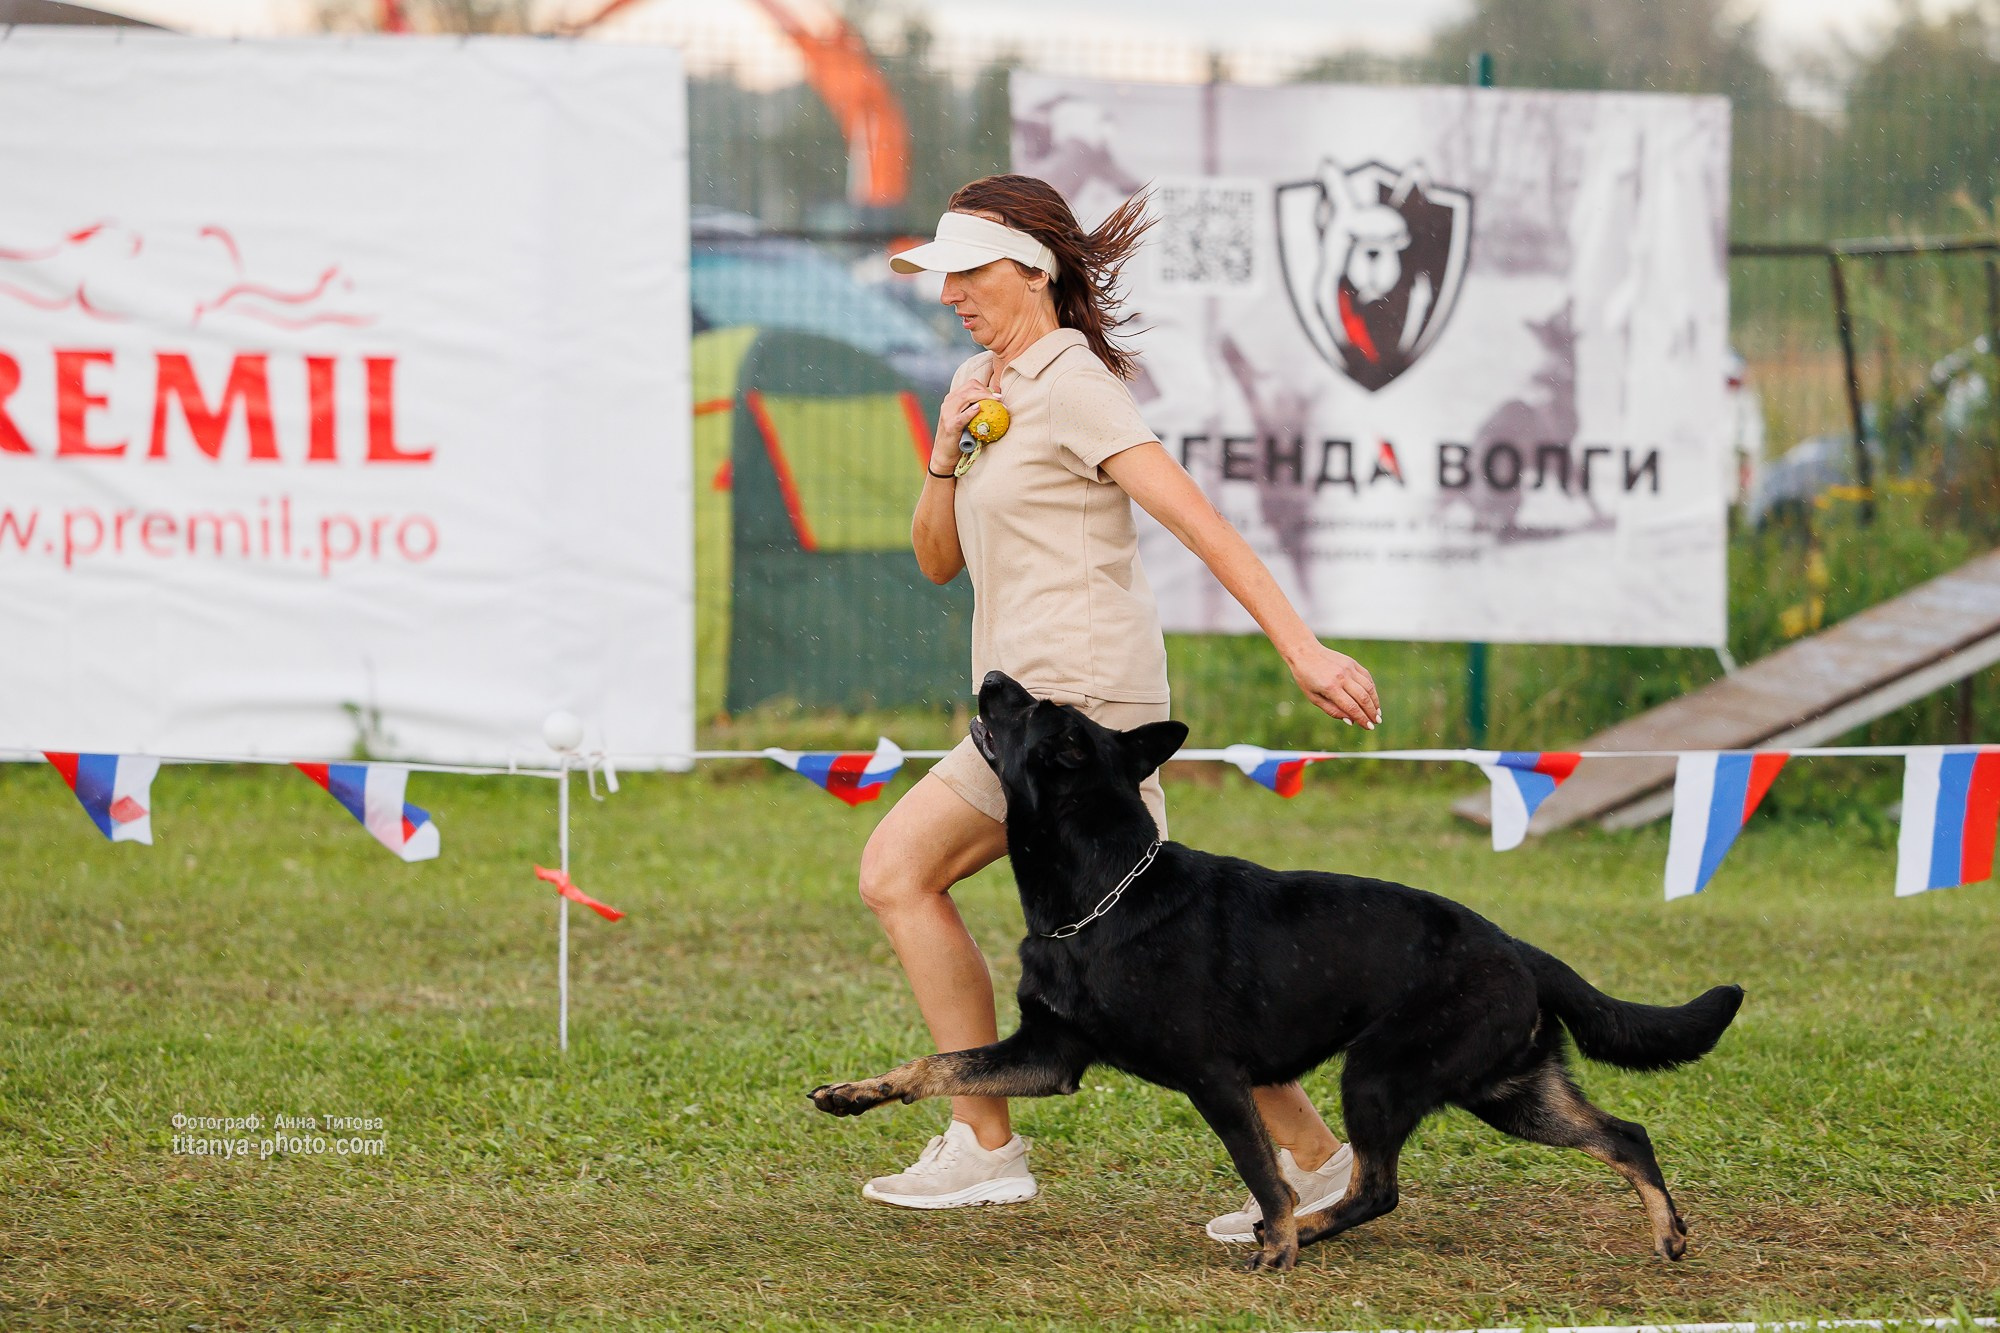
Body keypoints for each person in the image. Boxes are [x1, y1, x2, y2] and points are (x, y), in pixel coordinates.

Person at [856, 175, 1382, 1243]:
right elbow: (932, 556)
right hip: (1027, 715)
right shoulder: (983, 380)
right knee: (1155, 956)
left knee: (901, 873)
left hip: (1082, 709)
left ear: (1030, 269)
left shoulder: (1076, 384)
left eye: (967, 269)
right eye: (942, 273)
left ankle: (986, 1144)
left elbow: (1196, 522)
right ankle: (1318, 1162)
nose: (950, 291)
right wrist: (943, 443)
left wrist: (1300, 645)